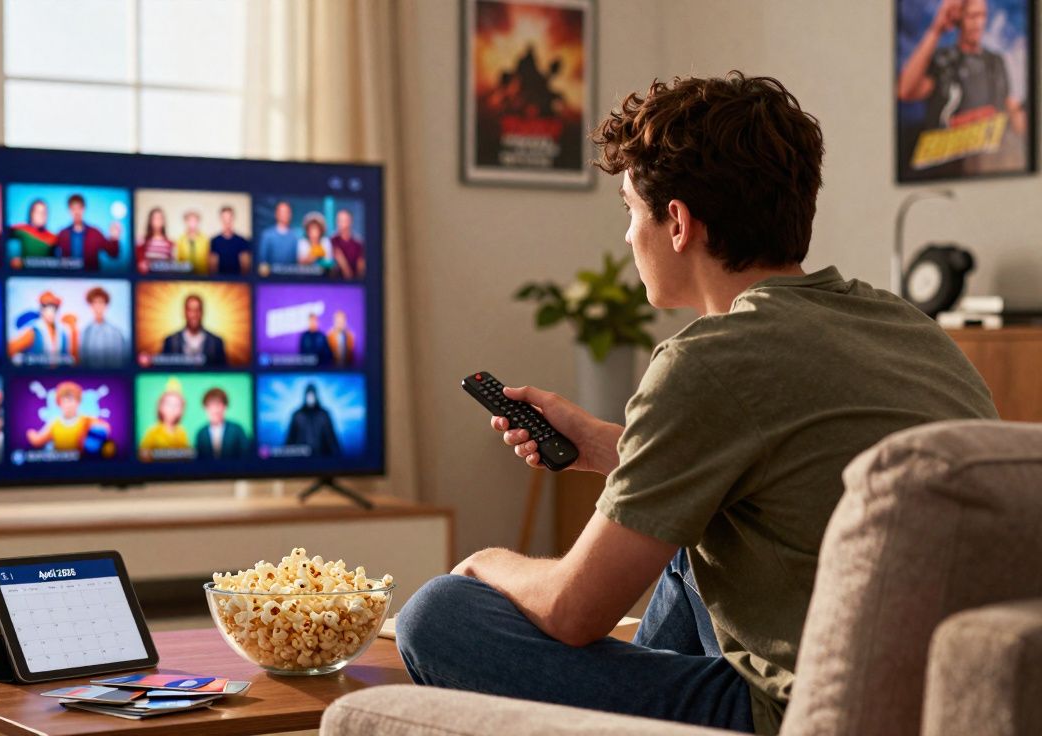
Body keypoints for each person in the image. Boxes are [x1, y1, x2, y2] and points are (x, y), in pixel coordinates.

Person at [394, 72, 998, 736]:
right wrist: (608, 445)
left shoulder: (709, 360)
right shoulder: (908, 326)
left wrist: (486, 562)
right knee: (693, 535)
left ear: (676, 221)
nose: (628, 236)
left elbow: (573, 612)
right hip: (935, 701)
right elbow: (793, 467)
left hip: (797, 711)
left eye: (629, 209)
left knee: (438, 614)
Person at [896, 0, 1026, 173]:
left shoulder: (996, 62)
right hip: (946, 167)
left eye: (982, 16)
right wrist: (936, 30)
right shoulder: (943, 60)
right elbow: (905, 90)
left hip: (992, 167)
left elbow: (1011, 109)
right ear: (959, 19)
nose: (978, 23)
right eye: (972, 16)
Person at [25, 381, 110, 454]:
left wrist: (92, 443)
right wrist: (31, 434)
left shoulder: (86, 420)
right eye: (65, 401)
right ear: (59, 403)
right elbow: (39, 439)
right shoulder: (55, 423)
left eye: (72, 400)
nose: (68, 405)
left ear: (78, 402)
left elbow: (105, 428)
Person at [7, 290, 79, 364]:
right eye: (46, 306)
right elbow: (9, 350)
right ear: (41, 309)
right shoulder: (33, 332)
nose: (50, 311)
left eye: (53, 307)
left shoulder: (62, 333)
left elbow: (72, 359)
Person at [54, 193, 122, 271]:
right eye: (73, 209)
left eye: (79, 208)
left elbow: (113, 254)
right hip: (66, 280)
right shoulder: (62, 234)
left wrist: (114, 238)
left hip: (90, 280)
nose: (76, 212)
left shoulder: (95, 233)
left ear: (84, 209)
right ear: (69, 211)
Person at [161, 294, 227, 367]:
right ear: (184, 312)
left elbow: (224, 373)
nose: (194, 315)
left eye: (197, 310)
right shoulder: (170, 341)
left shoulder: (216, 342)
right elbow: (162, 370)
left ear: (202, 312)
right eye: (190, 310)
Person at [284, 383, 340, 456]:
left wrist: (339, 460)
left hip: (322, 459)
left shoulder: (324, 414)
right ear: (305, 396)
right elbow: (290, 439)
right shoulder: (297, 415)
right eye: (308, 395)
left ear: (316, 396)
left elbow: (332, 439)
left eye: (312, 395)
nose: (310, 398)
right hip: (300, 459)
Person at [193, 388, 249, 460]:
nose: (215, 410)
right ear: (205, 408)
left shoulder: (237, 430)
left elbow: (246, 457)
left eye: (218, 404)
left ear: (225, 407)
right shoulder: (201, 433)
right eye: (211, 405)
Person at [80, 287, 127, 368]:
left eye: (101, 302)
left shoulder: (116, 332)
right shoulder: (85, 332)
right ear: (90, 306)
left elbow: (120, 360)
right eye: (95, 303)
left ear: (106, 306)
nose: (98, 306)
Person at [139, 381, 190, 453]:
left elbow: (188, 455)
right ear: (160, 407)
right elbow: (143, 454)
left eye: (177, 405)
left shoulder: (182, 433)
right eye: (169, 404)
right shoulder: (152, 432)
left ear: (182, 410)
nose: (173, 409)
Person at [210, 205, 251, 275]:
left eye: (229, 218)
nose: (227, 222)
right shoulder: (214, 241)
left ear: (233, 218)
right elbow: (212, 268)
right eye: (224, 218)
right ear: (221, 219)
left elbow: (245, 267)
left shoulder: (242, 241)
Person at [257, 200, 299, 266]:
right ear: (276, 214)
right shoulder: (267, 235)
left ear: (290, 214)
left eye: (287, 212)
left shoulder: (296, 236)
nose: (284, 214)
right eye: (282, 212)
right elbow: (262, 261)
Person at [330, 209, 365, 279]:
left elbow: (361, 269)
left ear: (350, 221)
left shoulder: (358, 243)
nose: (341, 224)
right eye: (339, 221)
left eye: (344, 220)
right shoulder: (332, 241)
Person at [176, 209, 211, 275]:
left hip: (202, 275)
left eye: (195, 221)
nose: (192, 223)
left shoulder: (205, 239)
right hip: (185, 275)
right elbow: (179, 260)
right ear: (186, 222)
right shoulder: (180, 239)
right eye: (190, 221)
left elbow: (208, 260)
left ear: (198, 222)